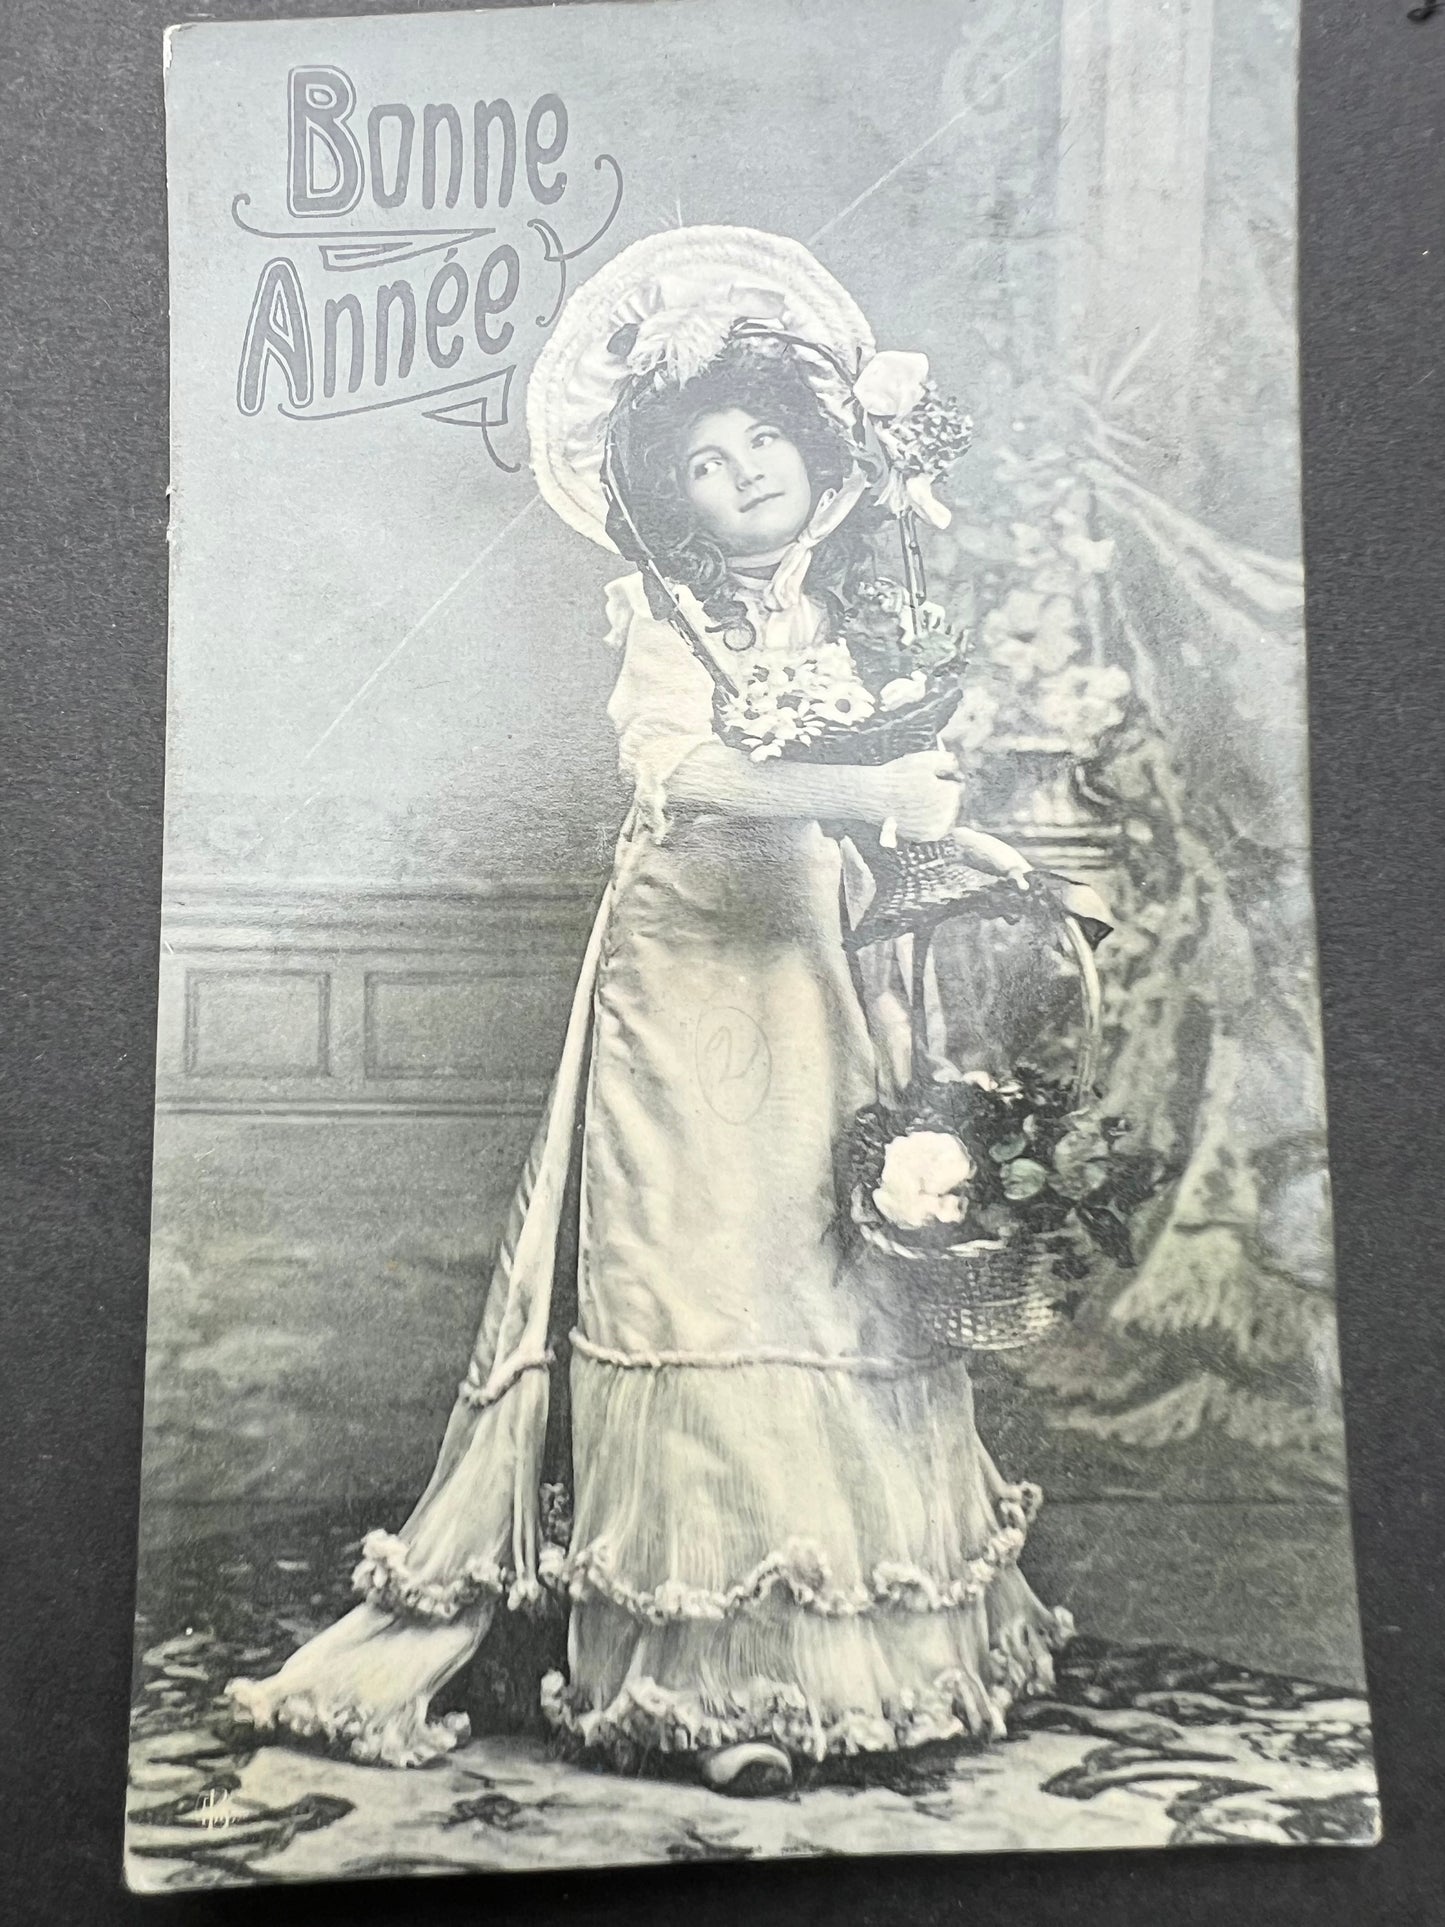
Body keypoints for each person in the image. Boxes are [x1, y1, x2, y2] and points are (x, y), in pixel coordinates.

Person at [227, 227, 1071, 1797]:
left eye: (764, 444)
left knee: (829, 1270)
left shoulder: (834, 625)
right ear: (661, 500)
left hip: (814, 961)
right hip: (686, 973)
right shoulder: (659, 621)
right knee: (698, 1268)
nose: (741, 472)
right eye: (703, 460)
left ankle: (857, 1658)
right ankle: (700, 1678)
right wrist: (867, 786)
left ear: (820, 463)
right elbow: (680, 773)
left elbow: (869, 802)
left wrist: (958, 837)